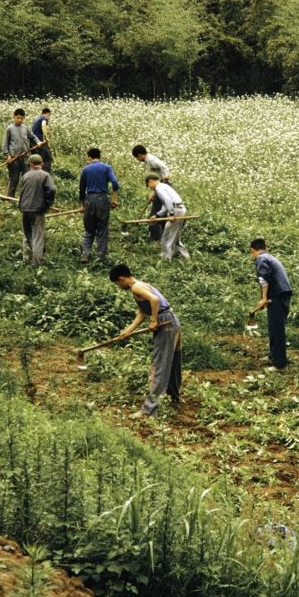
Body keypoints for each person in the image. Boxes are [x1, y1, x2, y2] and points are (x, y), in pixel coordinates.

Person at [109, 264, 182, 418]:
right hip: (171, 321)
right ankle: (174, 397)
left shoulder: (136, 288)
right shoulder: (141, 285)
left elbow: (154, 300)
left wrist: (154, 320)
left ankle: (149, 410)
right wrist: (127, 331)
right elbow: (142, 314)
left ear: (121, 279)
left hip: (165, 323)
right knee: (174, 361)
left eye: (117, 283)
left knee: (159, 365)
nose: (119, 286)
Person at [251, 238, 293, 370]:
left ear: (253, 250)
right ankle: (273, 356)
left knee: (277, 328)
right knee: (273, 326)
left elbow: (264, 278)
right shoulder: (269, 257)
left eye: (251, 253)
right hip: (280, 293)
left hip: (278, 295)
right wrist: (266, 299)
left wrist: (264, 297)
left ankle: (280, 364)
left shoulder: (261, 258)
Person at [78, 148, 120, 262]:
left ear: (89, 157)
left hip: (89, 200)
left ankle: (85, 255)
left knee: (89, 229)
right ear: (99, 156)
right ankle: (100, 257)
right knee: (102, 228)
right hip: (102, 199)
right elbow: (115, 183)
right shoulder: (107, 167)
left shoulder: (85, 169)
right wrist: (114, 199)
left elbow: (82, 189)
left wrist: (82, 205)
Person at [19, 154, 57, 265]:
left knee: (27, 236)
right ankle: (36, 263)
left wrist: (21, 206)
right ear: (42, 164)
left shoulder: (25, 176)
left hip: (25, 209)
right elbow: (52, 189)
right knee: (38, 236)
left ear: (30, 164)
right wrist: (47, 203)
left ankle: (26, 260)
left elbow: (21, 193)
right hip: (37, 210)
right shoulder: (45, 175)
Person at [146, 174, 190, 261]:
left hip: (176, 210)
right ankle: (185, 257)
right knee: (174, 236)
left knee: (167, 236)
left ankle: (166, 258)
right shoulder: (164, 186)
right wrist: (157, 215)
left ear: (151, 181)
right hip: (179, 208)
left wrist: (171, 214)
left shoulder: (158, 188)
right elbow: (166, 205)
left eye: (149, 186)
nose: (150, 188)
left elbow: (168, 201)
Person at [132, 145, 171, 242]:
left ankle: (156, 239)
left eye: (137, 158)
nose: (138, 160)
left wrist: (165, 179)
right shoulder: (149, 160)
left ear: (139, 155)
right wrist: (154, 191)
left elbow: (164, 167)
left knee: (154, 214)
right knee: (160, 213)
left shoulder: (152, 160)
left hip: (162, 186)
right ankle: (162, 238)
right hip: (159, 187)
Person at [2, 108, 42, 197]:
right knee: (14, 179)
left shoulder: (25, 128)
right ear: (14, 117)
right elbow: (5, 144)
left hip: (25, 158)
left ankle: (24, 198)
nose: (19, 120)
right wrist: (7, 155)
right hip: (14, 158)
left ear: (24, 118)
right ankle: (10, 198)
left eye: (21, 118)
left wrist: (38, 142)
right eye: (18, 118)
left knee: (26, 178)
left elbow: (33, 136)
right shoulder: (10, 129)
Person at [31, 108, 53, 173]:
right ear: (45, 114)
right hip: (40, 142)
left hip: (33, 141)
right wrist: (46, 137)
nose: (49, 117)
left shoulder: (36, 118)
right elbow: (43, 125)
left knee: (36, 158)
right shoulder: (44, 118)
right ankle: (44, 173)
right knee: (46, 158)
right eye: (48, 115)